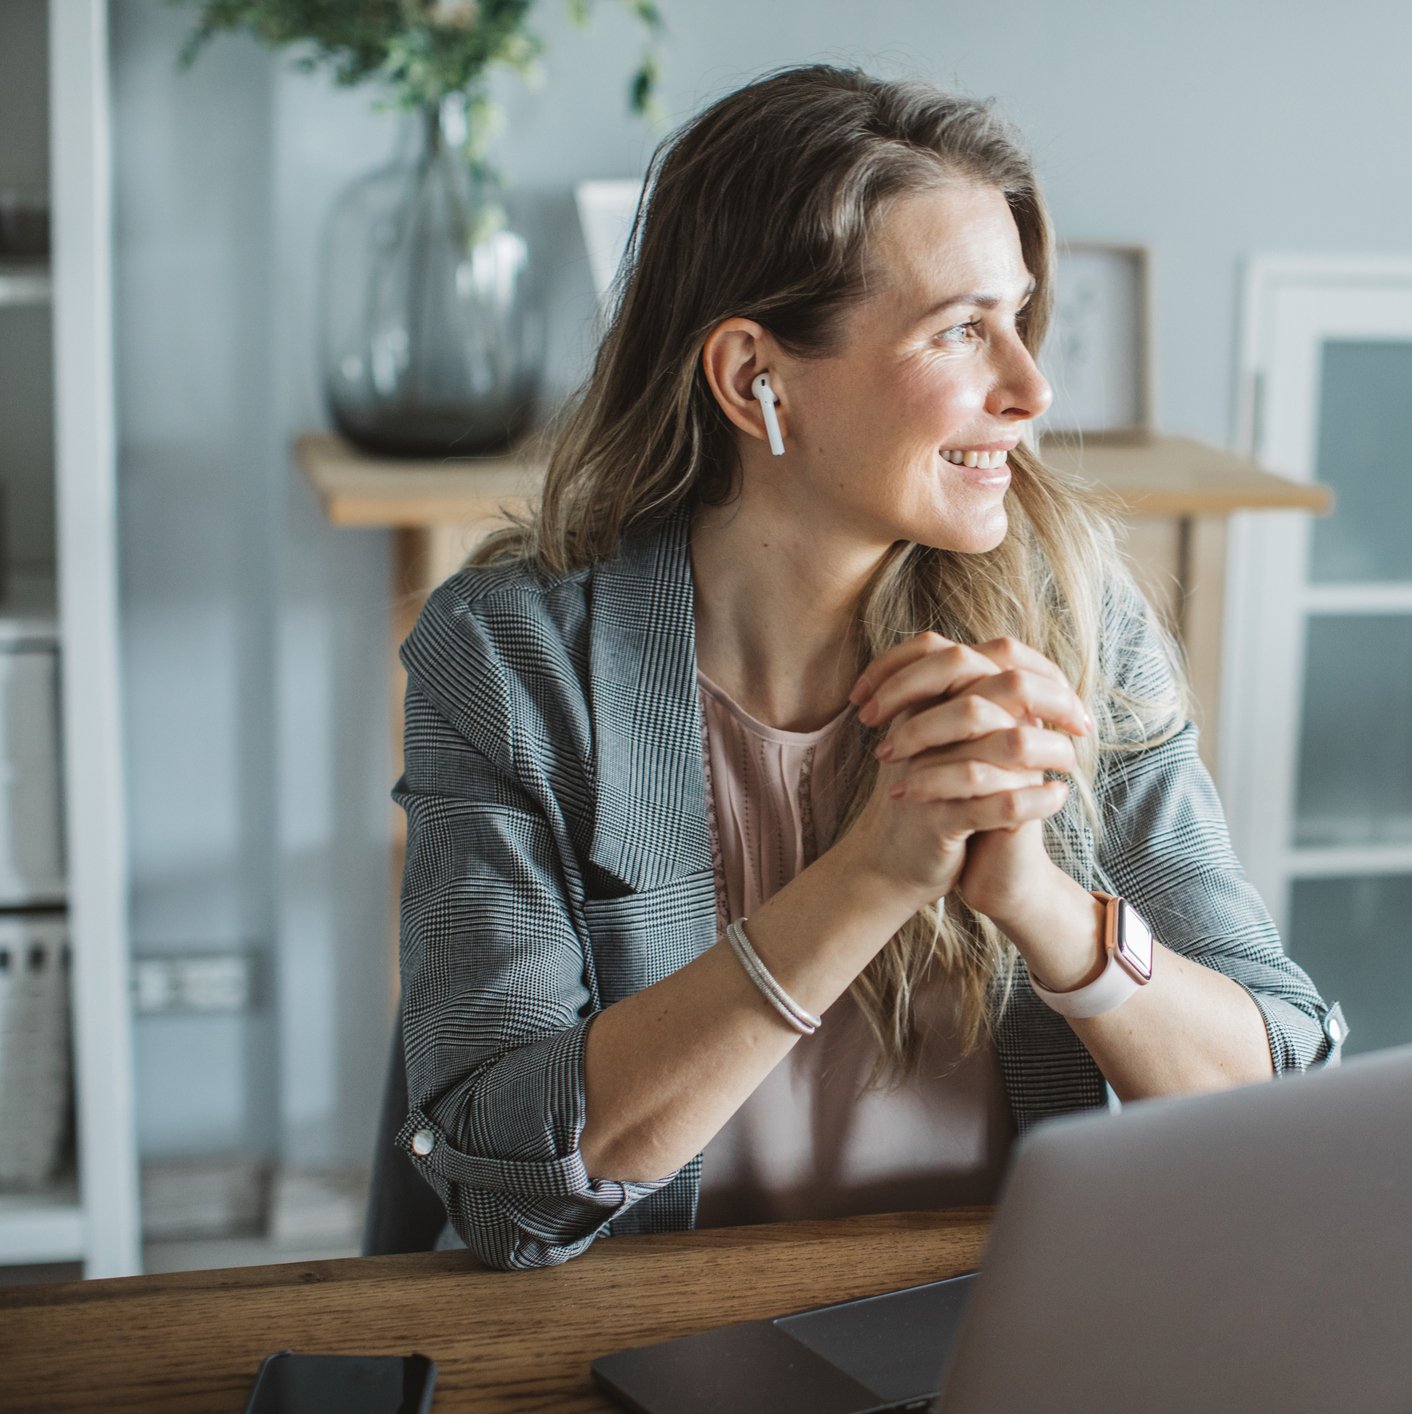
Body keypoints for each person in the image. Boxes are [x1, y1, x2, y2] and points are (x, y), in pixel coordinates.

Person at [391, 63, 1346, 1273]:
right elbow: (505, 1194)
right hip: (641, 1341)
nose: (1032, 387)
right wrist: (872, 876)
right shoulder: (516, 658)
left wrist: (1039, 901)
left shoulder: (1075, 620)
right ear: (754, 378)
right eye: (960, 329)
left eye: (1020, 315)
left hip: (1007, 1326)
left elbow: (1274, 1084)